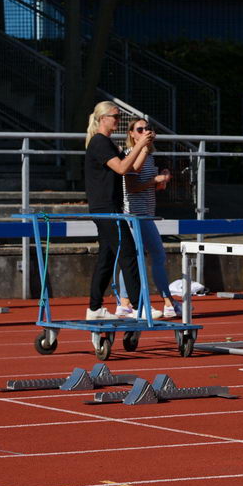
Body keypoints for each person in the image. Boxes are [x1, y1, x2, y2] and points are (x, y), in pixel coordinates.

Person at [83, 101, 152, 321]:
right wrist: (139, 145)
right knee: (128, 253)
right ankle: (137, 307)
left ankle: (94, 309)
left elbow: (132, 168)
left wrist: (144, 147)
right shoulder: (99, 142)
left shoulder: (108, 143)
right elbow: (121, 169)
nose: (118, 120)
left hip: (109, 206)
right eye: (115, 116)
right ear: (103, 118)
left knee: (107, 257)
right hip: (106, 208)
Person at [116, 118, 178, 319]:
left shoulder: (149, 156)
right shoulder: (130, 154)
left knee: (145, 256)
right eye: (140, 129)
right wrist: (155, 180)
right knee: (138, 257)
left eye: (148, 128)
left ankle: (161, 301)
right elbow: (132, 187)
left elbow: (147, 185)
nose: (145, 132)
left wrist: (162, 181)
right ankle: (128, 302)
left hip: (146, 213)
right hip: (133, 214)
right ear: (132, 134)